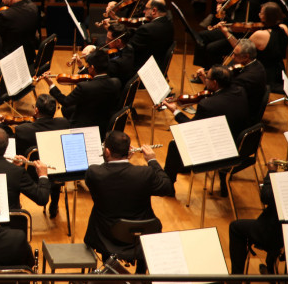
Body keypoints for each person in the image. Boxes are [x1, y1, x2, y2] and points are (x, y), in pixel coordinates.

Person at [85, 132, 174, 273]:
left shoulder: (93, 173)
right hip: (140, 235)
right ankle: (140, 273)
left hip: (106, 235)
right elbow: (167, 187)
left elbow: (105, 172)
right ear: (128, 151)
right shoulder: (145, 173)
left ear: (107, 151)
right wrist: (152, 160)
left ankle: (109, 270)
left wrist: (115, 159)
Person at [160, 65, 251, 186]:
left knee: (175, 144)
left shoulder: (208, 105)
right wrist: (207, 82)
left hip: (221, 148)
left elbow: (190, 127)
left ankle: (167, 184)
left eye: (206, 78)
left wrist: (175, 111)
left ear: (214, 82)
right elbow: (219, 97)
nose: (204, 79)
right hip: (239, 143)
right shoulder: (240, 91)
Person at [229, 141, 288, 275]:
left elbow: (266, 197)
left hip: (276, 234)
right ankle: (272, 265)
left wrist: (271, 173)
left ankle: (236, 278)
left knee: (235, 228)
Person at [43, 49, 122, 137]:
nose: (87, 68)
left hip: (84, 126)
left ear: (92, 68)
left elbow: (65, 101)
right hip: (105, 125)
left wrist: (51, 84)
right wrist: (81, 66)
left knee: (66, 110)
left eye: (88, 66)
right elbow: (96, 82)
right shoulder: (116, 83)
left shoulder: (84, 87)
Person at [0, 127, 50, 209]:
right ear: (6, 147)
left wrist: (11, 166)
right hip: (10, 220)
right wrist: (43, 175)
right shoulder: (17, 172)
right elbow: (41, 198)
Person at [214, 1, 288, 92]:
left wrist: (225, 32)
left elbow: (239, 48)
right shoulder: (284, 28)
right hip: (278, 72)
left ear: (266, 17)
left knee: (229, 68)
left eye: (261, 13)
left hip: (263, 74)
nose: (259, 14)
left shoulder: (260, 35)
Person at [0, 0, 39, 65]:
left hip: (11, 60)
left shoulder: (5, 15)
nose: (2, 0)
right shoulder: (33, 8)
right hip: (29, 57)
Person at [127, 0, 174, 70]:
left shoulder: (147, 29)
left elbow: (129, 49)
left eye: (146, 8)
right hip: (157, 65)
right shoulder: (169, 25)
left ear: (154, 10)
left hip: (139, 68)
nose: (143, 11)